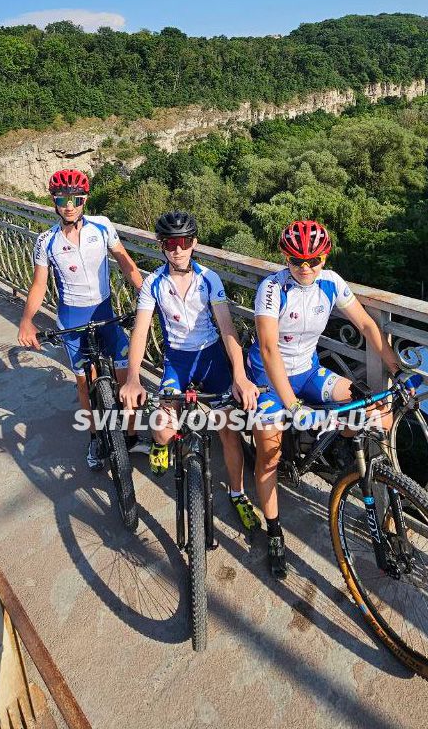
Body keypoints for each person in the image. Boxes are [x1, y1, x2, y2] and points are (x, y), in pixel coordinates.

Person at [248, 219, 404, 579]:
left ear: (325, 257)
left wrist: (396, 368)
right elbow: (269, 349)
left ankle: (363, 479)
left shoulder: (331, 282)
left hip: (308, 370)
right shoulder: (272, 288)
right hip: (268, 379)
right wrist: (292, 407)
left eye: (314, 261)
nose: (305, 268)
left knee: (375, 413)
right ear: (285, 258)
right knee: (268, 453)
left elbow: (366, 325)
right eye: (296, 261)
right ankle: (273, 531)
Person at [119, 211, 262, 531]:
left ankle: (238, 495)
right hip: (177, 361)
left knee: (229, 430)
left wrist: (239, 375)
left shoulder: (209, 278)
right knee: (164, 429)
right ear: (162, 246)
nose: (178, 250)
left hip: (211, 358)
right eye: (170, 243)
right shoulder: (153, 283)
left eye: (184, 242)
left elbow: (227, 330)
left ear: (194, 243)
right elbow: (140, 332)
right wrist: (132, 378)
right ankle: (158, 445)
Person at [18, 168, 143, 469]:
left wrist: (144, 292)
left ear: (85, 199)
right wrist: (26, 320)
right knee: (84, 385)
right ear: (54, 201)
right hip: (71, 319)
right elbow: (39, 284)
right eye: (62, 199)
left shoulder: (102, 227)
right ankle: (94, 438)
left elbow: (126, 263)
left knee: (127, 378)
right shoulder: (45, 240)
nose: (69, 205)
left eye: (76, 198)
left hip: (105, 312)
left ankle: (131, 435)